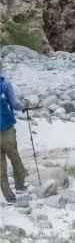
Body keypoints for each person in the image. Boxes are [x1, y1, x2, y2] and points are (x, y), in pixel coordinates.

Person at [0, 74, 27, 203]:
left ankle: (9, 196)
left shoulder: (4, 83)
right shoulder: (5, 83)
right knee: (15, 159)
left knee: (0, 167)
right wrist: (24, 105)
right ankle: (20, 187)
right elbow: (14, 103)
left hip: (6, 128)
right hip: (7, 129)